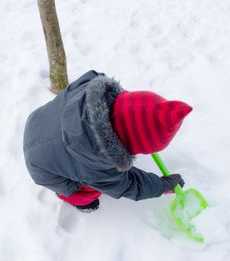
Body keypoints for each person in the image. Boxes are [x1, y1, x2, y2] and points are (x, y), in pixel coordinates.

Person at [23, 70, 192, 212]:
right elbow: (128, 185)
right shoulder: (97, 164)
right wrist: (162, 186)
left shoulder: (93, 83)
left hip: (38, 121)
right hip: (42, 169)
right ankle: (77, 201)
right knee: (90, 190)